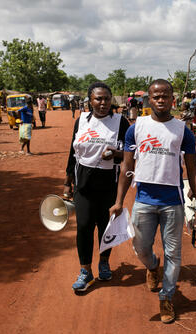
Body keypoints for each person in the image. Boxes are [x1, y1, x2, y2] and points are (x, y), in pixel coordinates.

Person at [110, 79, 196, 324]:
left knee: (173, 253)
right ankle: (152, 266)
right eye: (156, 96)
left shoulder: (182, 130)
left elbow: (193, 170)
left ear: (173, 99)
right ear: (149, 100)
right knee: (141, 248)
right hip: (143, 199)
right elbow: (126, 167)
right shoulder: (136, 128)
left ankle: (166, 297)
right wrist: (119, 201)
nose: (161, 100)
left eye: (165, 96)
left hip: (173, 201)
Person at [64, 82, 130, 292]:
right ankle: (85, 271)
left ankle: (104, 261)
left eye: (106, 99)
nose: (103, 103)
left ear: (112, 100)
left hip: (108, 182)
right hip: (83, 182)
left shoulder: (120, 122)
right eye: (98, 99)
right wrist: (67, 182)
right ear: (90, 100)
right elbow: (72, 153)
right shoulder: (81, 120)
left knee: (105, 227)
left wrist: (115, 154)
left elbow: (130, 154)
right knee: (83, 226)